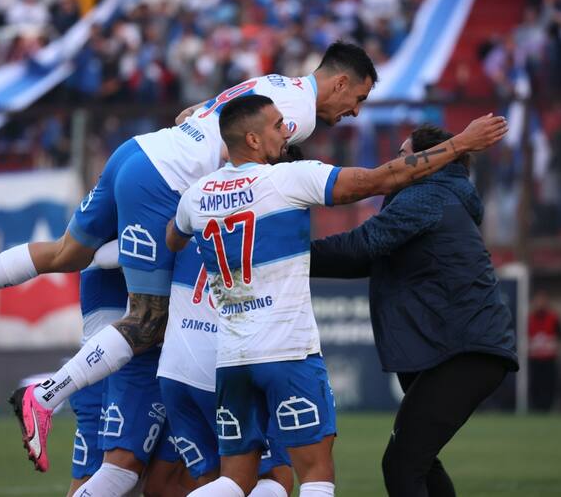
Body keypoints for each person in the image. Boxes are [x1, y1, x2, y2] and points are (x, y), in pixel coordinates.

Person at [0, 41, 381, 471]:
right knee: (148, 320)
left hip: (138, 152)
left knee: (67, 252)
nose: (355, 112)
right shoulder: (298, 114)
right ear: (340, 82)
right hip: (161, 184)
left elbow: (190, 113)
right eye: (357, 99)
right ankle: (45, 396)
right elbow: (243, 172)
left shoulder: (274, 83)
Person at [166, 96, 508, 497]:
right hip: (287, 352)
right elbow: (374, 181)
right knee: (317, 475)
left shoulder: (197, 194)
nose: (288, 131)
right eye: (278, 125)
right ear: (254, 139)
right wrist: (462, 142)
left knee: (235, 481)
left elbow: (174, 238)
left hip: (232, 358)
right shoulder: (291, 177)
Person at [309, 124, 519, 497]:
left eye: (404, 154)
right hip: (461, 347)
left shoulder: (427, 195)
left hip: (463, 350)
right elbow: (368, 256)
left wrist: (288, 254)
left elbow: (361, 245)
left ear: (429, 161)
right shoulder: (444, 196)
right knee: (419, 462)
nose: (396, 163)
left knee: (401, 466)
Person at [158, 241, 294, 497]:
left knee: (210, 479)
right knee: (275, 475)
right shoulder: (252, 235)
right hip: (219, 368)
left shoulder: (184, 226)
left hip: (172, 370)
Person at [52, 245, 181, 495]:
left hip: (147, 365)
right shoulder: (102, 240)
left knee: (158, 484)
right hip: (114, 371)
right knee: (113, 475)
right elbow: (95, 255)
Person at [528, 290, 561, 412]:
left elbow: (560, 336)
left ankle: (547, 407)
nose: (540, 303)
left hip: (549, 358)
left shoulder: (554, 317)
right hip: (535, 358)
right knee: (535, 383)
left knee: (549, 383)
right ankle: (536, 407)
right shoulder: (529, 318)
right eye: (538, 301)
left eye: (543, 300)